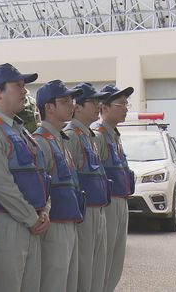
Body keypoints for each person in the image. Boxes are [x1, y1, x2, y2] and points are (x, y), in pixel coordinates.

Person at [0, 63, 50, 292]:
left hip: (30, 221)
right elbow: (0, 185)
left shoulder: (19, 129)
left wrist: (43, 211)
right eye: (18, 86)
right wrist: (32, 218)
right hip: (6, 222)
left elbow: (40, 175)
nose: (24, 91)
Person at [33, 79, 84, 292]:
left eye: (71, 100)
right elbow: (38, 189)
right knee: (53, 282)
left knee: (68, 283)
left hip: (69, 221)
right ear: (49, 108)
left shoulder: (60, 140)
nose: (71, 105)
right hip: (53, 225)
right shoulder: (40, 141)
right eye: (64, 101)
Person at [63, 83, 111, 292]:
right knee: (84, 268)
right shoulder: (71, 135)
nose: (98, 105)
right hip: (84, 210)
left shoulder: (89, 135)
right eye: (93, 101)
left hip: (97, 207)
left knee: (97, 267)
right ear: (78, 107)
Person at [92, 84, 135, 292]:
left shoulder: (114, 135)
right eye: (121, 104)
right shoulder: (98, 136)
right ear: (105, 107)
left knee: (116, 257)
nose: (126, 108)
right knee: (104, 257)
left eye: (127, 104)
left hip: (121, 200)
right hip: (108, 203)